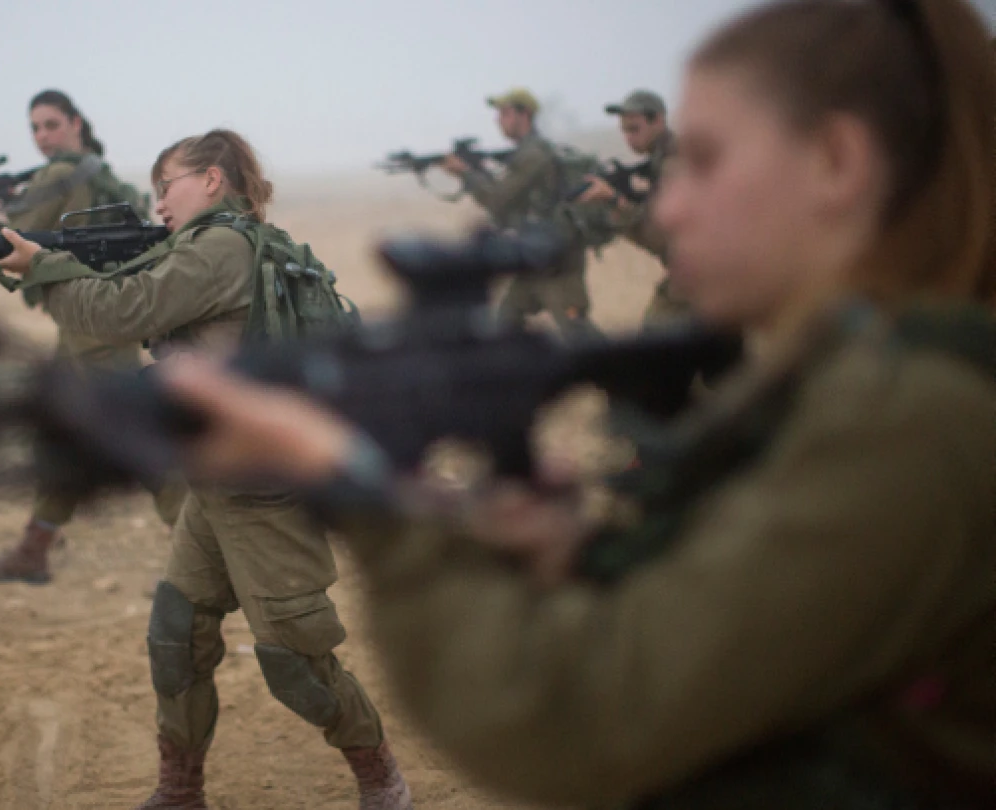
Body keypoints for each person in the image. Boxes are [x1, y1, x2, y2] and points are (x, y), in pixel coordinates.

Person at [153, 0, 996, 807]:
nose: (669, 205)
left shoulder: (908, 420)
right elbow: (771, 626)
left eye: (703, 161)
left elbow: (582, 718)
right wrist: (589, 555)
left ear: (837, 161)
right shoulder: (867, 379)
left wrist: (367, 496)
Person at [0, 129, 414, 809]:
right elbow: (122, 284)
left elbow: (121, 309)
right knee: (176, 637)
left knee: (295, 659)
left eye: (168, 185)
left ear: (213, 179)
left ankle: (379, 774)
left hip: (263, 495)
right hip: (214, 488)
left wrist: (42, 267)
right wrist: (24, 262)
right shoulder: (207, 245)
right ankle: (180, 790)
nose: (158, 202)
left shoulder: (221, 248)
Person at [0, 89, 185, 585]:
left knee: (130, 437)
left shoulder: (60, 174)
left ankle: (203, 551)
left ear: (76, 123)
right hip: (100, 314)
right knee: (69, 435)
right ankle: (35, 547)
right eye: (35, 128)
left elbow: (14, 236)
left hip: (91, 326)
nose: (42, 137)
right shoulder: (101, 172)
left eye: (51, 124)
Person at [442, 88, 600, 340]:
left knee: (579, 333)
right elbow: (509, 201)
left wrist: (466, 174)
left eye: (505, 113)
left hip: (558, 264)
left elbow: (498, 200)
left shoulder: (533, 155)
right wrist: (475, 171)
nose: (498, 120)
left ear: (524, 115)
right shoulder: (526, 153)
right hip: (537, 258)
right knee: (504, 324)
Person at [579, 89, 689, 325]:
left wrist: (615, 201)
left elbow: (663, 238)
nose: (628, 138)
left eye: (634, 129)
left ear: (658, 120)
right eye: (624, 131)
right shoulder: (663, 158)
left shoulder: (676, 163)